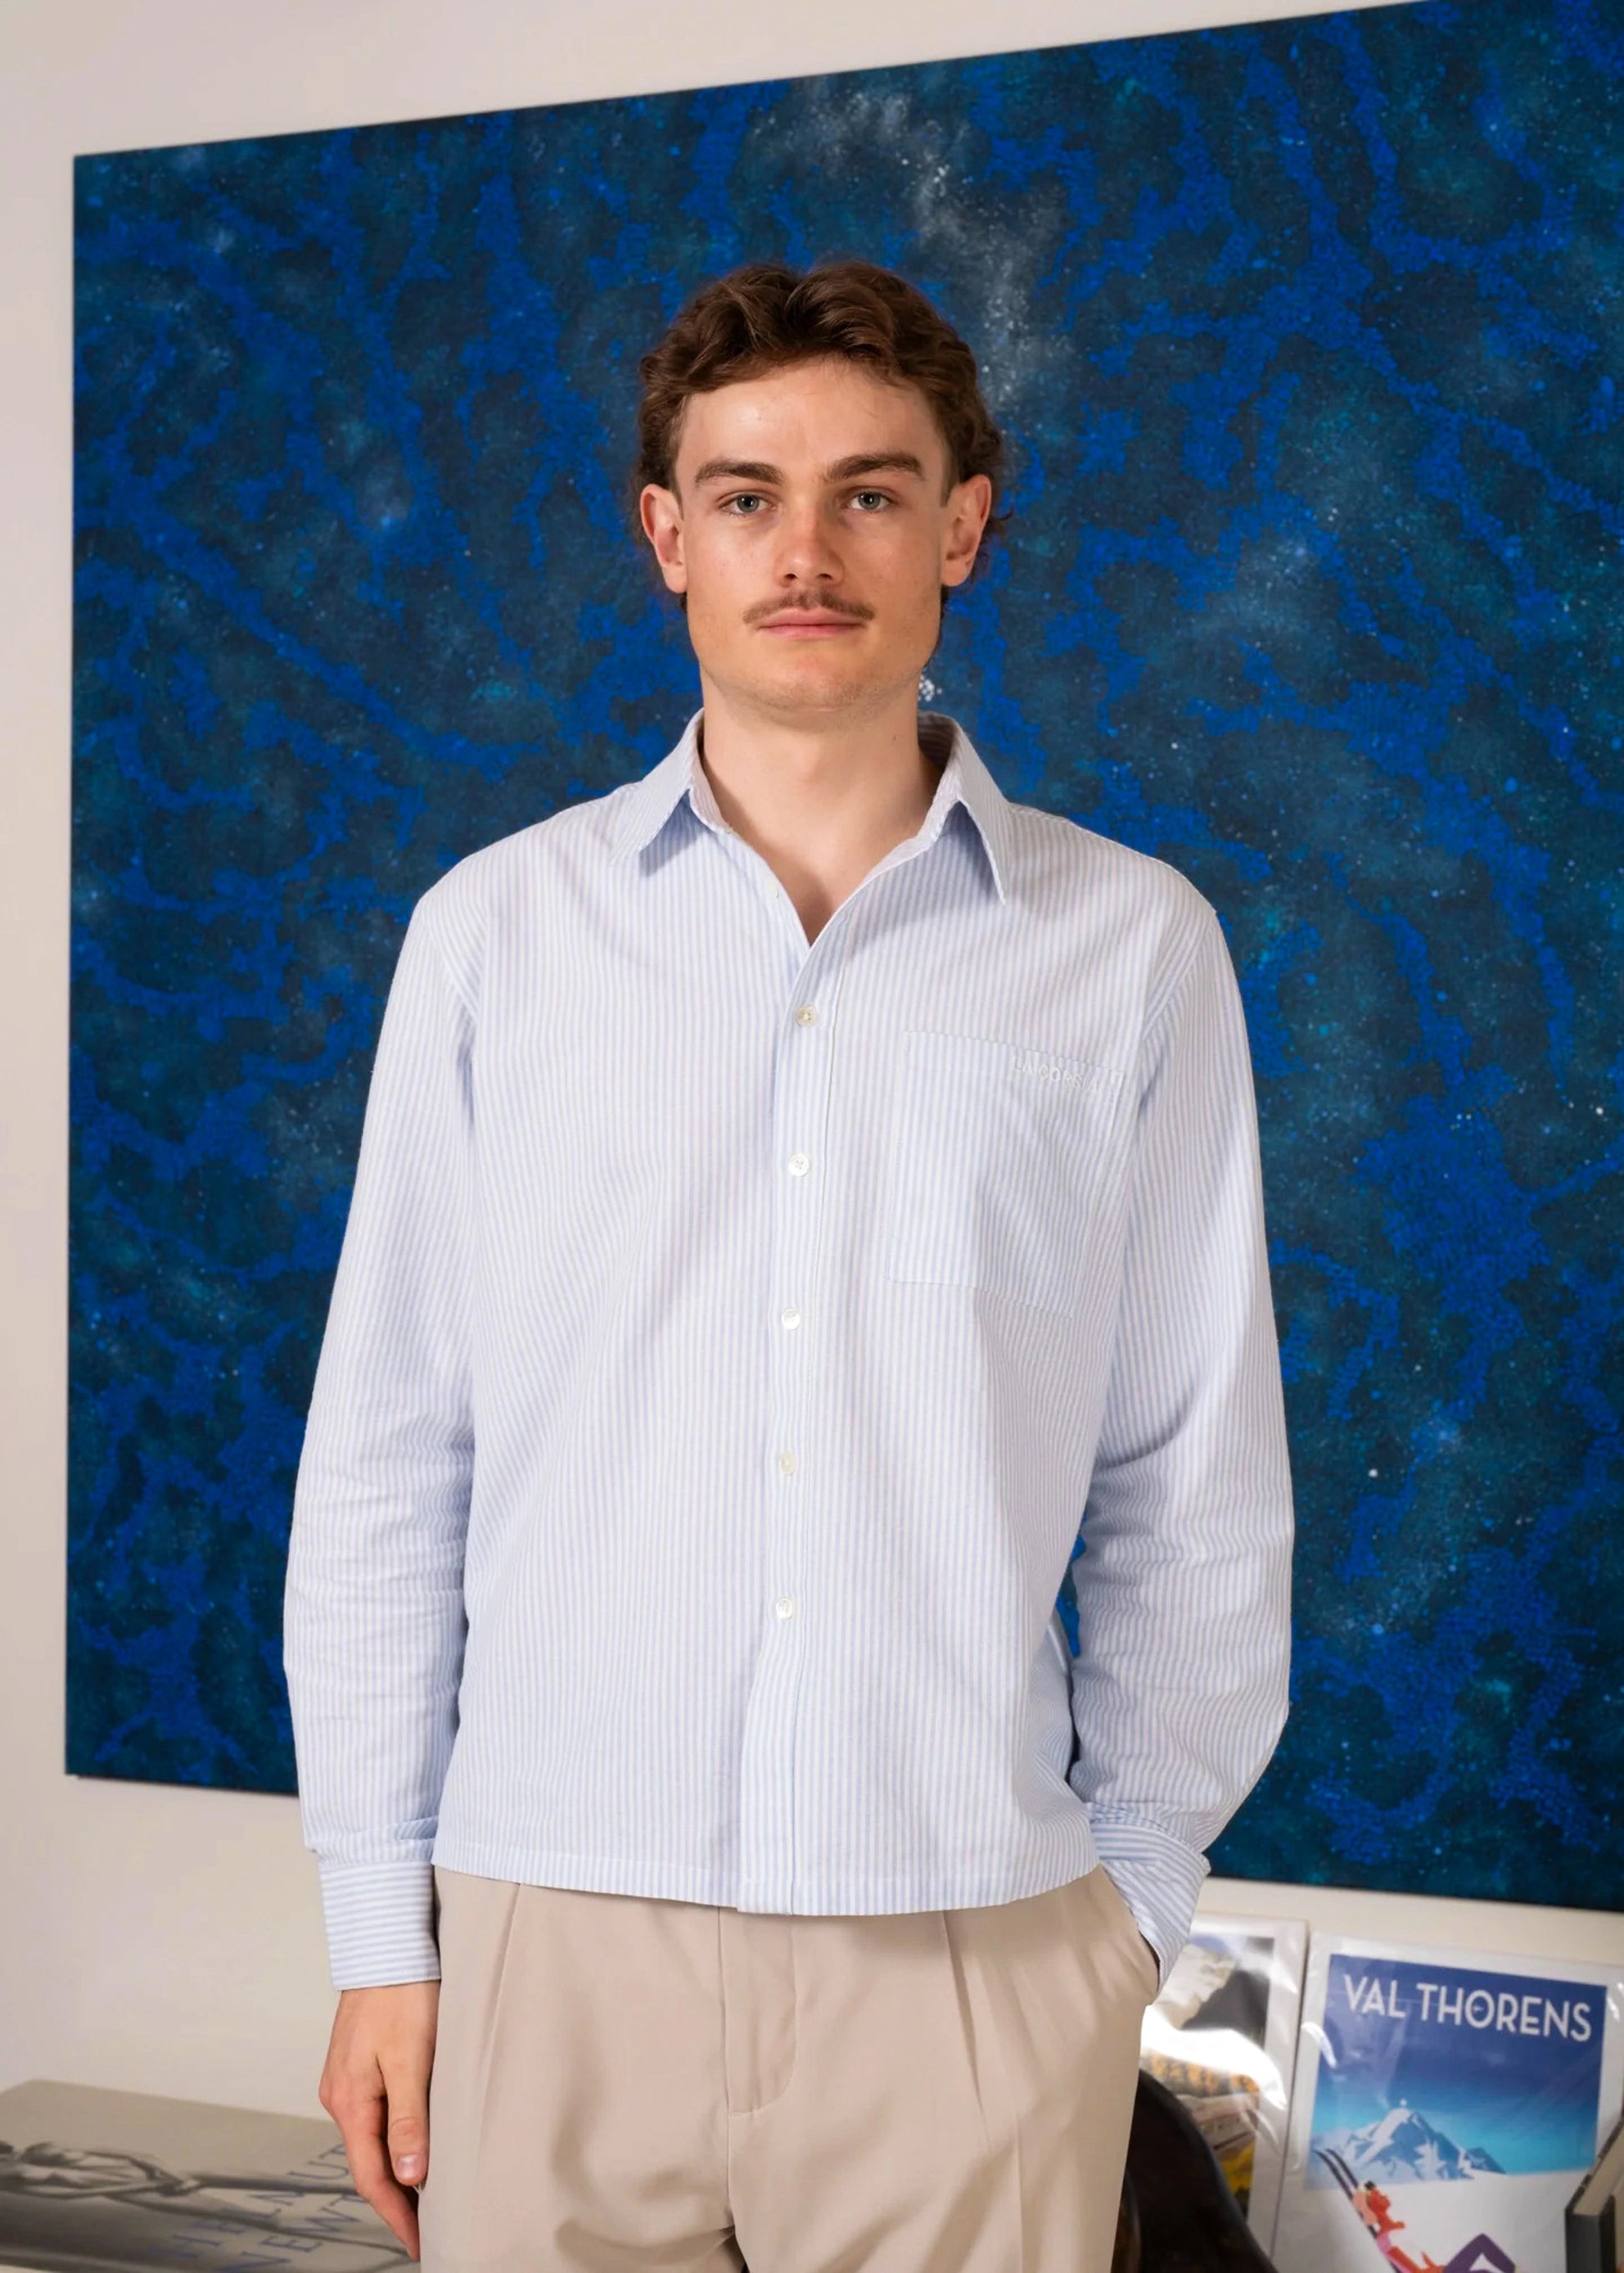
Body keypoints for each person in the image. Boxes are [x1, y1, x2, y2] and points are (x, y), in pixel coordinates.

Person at [284, 257, 1294, 2273]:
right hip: (552, 1949)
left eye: (868, 489)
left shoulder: (1132, 949)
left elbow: (1191, 1475)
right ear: (667, 536)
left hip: (975, 1961)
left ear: (965, 526)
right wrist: (379, 1938)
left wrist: (1123, 1916)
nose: (804, 547)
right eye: (744, 493)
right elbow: (396, 1458)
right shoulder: (492, 938)